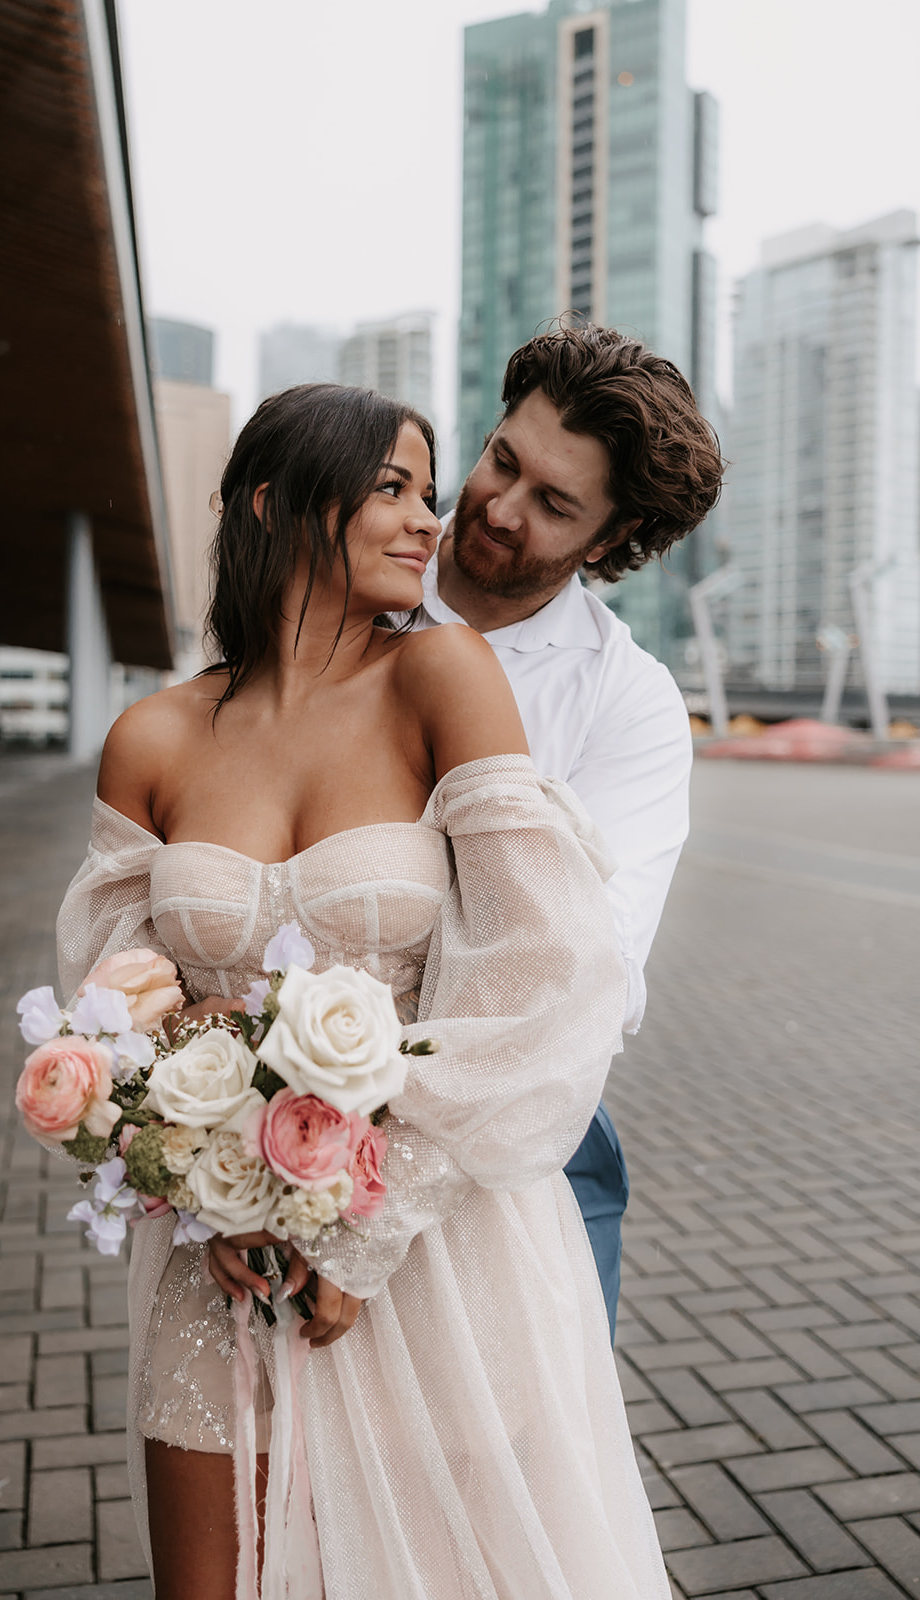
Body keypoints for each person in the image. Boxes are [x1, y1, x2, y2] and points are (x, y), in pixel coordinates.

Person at [56, 382, 671, 1599]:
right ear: (276, 502)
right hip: (217, 1260)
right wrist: (205, 1182)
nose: (430, 521)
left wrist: (368, 1222)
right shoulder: (151, 739)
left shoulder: (442, 674)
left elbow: (542, 974)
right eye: (392, 487)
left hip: (430, 1238)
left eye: (426, 492)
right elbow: (111, 998)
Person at [421, 325, 724, 1337]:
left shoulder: (625, 702)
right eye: (500, 460)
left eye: (552, 504)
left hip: (528, 1129)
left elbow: (587, 976)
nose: (498, 508)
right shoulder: (341, 583)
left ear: (609, 534)